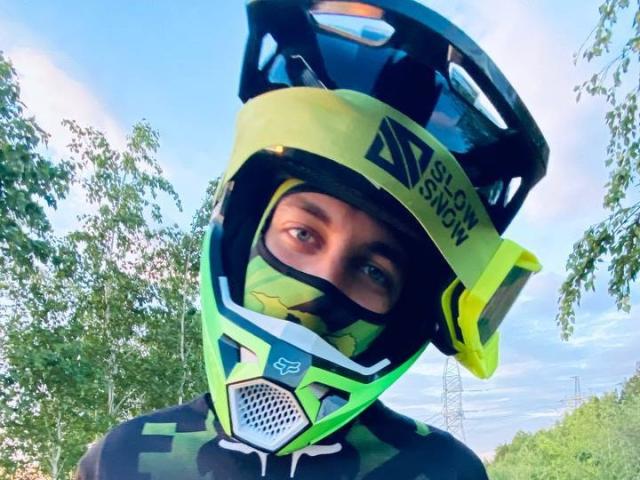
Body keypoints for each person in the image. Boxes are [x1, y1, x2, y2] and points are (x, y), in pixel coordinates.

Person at [76, 1, 549, 478]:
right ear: (243, 238)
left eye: (374, 271)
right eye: (303, 233)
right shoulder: (117, 461)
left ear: (405, 313)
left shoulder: (446, 472)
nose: (320, 289)